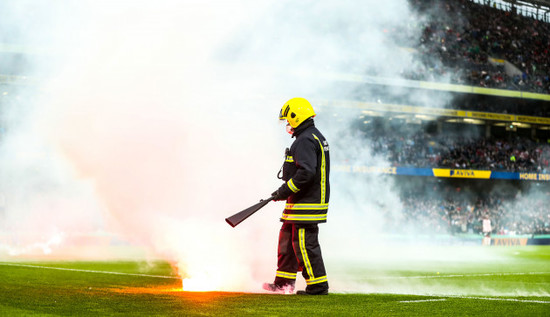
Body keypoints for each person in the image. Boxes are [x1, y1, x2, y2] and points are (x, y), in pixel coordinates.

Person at [263, 97, 330, 295]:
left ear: (296, 116)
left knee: (304, 244)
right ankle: (284, 283)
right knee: (287, 241)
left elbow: (306, 173)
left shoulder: (305, 139)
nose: (287, 124)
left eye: (288, 119)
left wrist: (284, 191)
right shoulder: (311, 136)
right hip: (299, 203)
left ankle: (318, 286)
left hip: (306, 203)